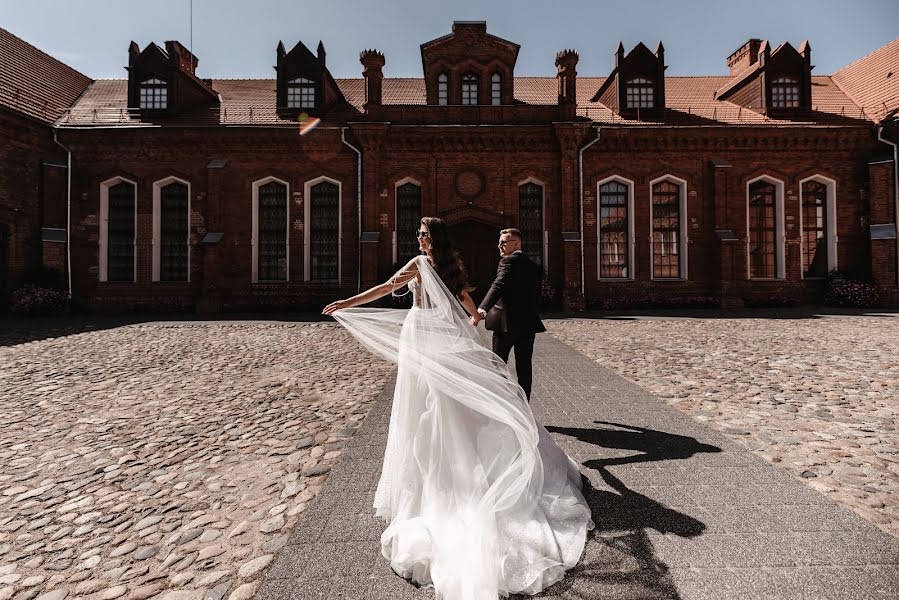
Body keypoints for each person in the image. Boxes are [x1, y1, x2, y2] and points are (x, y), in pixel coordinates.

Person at [323, 217, 593, 600]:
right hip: (442, 335)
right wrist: (472, 323)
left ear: (429, 239)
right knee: (442, 402)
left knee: (425, 404)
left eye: (420, 234)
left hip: (421, 336)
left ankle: (439, 471)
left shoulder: (419, 266)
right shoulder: (448, 268)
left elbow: (386, 288)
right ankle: (456, 453)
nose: (417, 238)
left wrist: (347, 303)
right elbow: (468, 303)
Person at [476, 228, 546, 401]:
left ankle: (502, 406)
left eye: (504, 242)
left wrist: (482, 308)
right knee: (524, 368)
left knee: (498, 366)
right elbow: (537, 296)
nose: (499, 245)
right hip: (528, 325)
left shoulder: (507, 262)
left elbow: (498, 285)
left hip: (505, 325)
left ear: (516, 243)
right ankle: (524, 410)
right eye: (499, 242)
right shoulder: (533, 266)